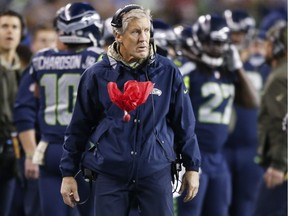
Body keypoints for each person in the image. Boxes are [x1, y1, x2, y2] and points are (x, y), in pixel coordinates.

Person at [59, 4, 201, 216]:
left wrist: (192, 167)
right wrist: (68, 173)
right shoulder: (96, 75)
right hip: (110, 171)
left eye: (146, 30)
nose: (144, 38)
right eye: (135, 31)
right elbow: (78, 126)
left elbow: (184, 123)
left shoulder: (167, 71)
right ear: (118, 35)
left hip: (155, 170)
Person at [14, 2, 104, 216]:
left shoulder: (41, 59)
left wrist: (29, 153)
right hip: (86, 150)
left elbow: (23, 109)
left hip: (49, 149)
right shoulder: (98, 59)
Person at [176, 14, 259, 216]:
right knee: (190, 212)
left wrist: (238, 67)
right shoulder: (188, 70)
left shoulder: (228, 72)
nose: (218, 48)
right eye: (213, 42)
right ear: (200, 42)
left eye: (222, 43)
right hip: (194, 157)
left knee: (220, 211)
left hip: (218, 157)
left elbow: (252, 102)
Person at [223, 10, 271, 216]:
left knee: (246, 206)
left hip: (252, 147)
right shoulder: (212, 64)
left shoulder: (263, 66)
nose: (236, 38)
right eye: (232, 33)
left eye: (240, 33)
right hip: (219, 148)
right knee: (217, 204)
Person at [253, 19, 287, 216]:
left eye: (268, 42)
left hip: (283, 166)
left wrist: (278, 165)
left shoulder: (280, 77)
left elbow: (282, 123)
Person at [0, 9, 26, 216]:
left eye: (14, 27)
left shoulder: (24, 72)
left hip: (14, 153)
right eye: (4, 26)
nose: (9, 31)